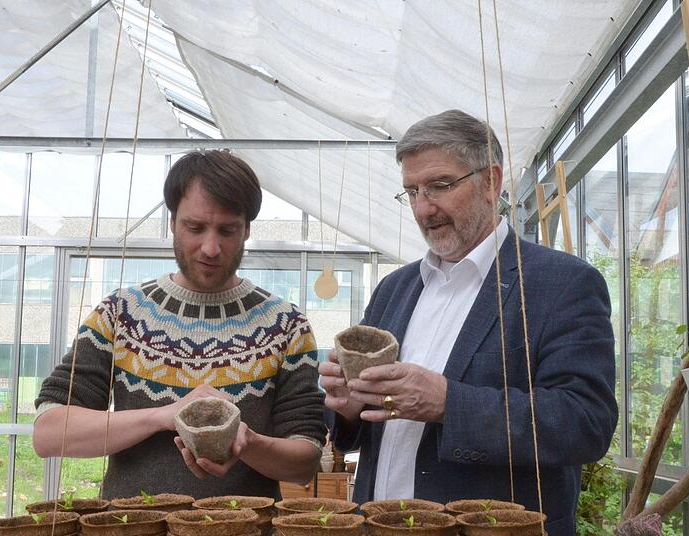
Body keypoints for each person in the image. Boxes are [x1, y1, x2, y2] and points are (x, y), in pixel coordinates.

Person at [319, 110, 617, 534]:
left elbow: (586, 421)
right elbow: (361, 420)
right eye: (412, 191)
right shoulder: (394, 289)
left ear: (491, 181)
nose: (424, 208)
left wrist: (449, 403)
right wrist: (349, 408)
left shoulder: (562, 284)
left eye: (440, 186)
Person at [34, 150, 326, 500]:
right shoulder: (120, 314)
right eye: (195, 227)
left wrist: (245, 441)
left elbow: (305, 460)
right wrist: (165, 416)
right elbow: (49, 432)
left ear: (247, 229)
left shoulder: (286, 326)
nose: (211, 247)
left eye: (227, 230)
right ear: (172, 222)